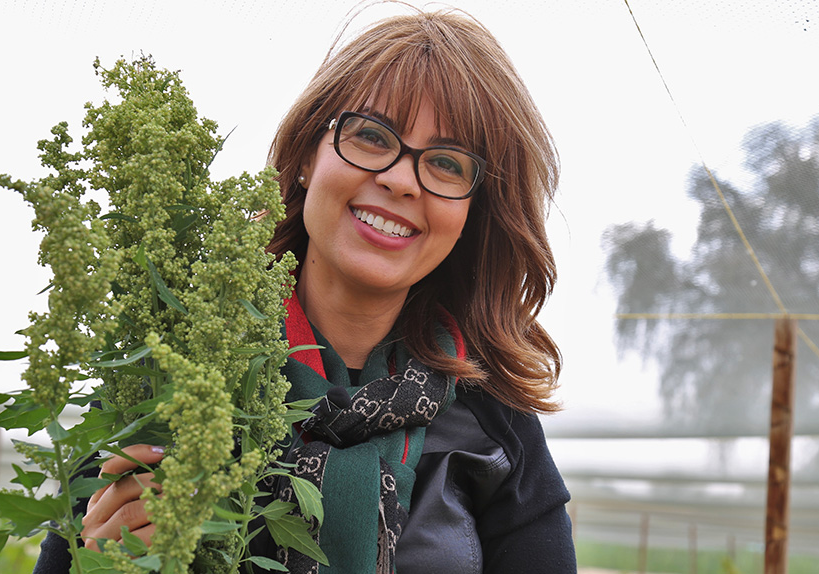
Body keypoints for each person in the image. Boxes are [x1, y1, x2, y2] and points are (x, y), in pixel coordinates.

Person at [35, 7, 575, 573]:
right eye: (371, 135)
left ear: (472, 213)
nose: (399, 179)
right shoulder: (170, 376)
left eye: (445, 163)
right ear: (306, 155)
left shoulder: (496, 425)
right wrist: (96, 561)